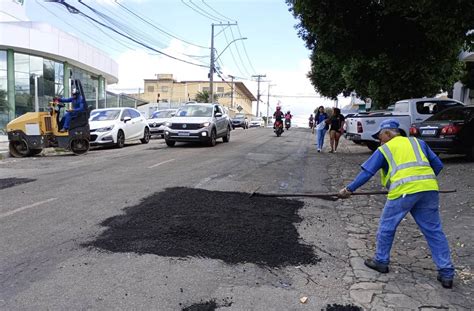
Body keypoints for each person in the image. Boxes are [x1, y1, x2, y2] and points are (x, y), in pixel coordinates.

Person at [338, 119, 455, 289]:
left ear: (387, 133)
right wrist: (422, 182)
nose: (379, 139)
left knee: (387, 226)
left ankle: (381, 261)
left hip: (403, 191)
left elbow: (367, 173)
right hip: (429, 189)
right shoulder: (418, 143)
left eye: (380, 135)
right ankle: (446, 273)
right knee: (434, 231)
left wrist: (349, 189)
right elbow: (437, 165)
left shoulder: (385, 148)